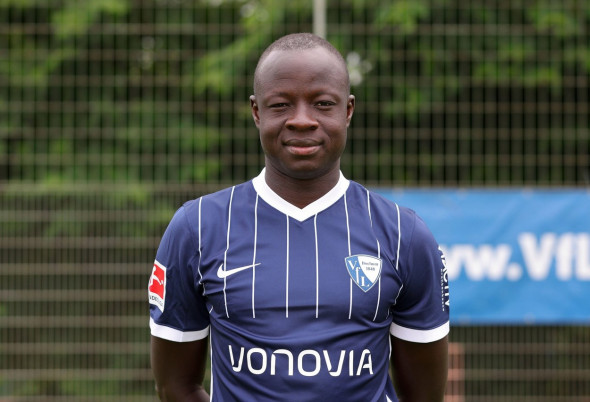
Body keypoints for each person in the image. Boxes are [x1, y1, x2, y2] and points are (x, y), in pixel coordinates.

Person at [149, 32, 449, 401]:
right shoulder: (197, 228)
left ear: (348, 111)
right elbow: (174, 386)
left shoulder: (405, 234)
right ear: (257, 112)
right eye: (281, 105)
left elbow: (425, 395)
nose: (302, 120)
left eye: (323, 104)